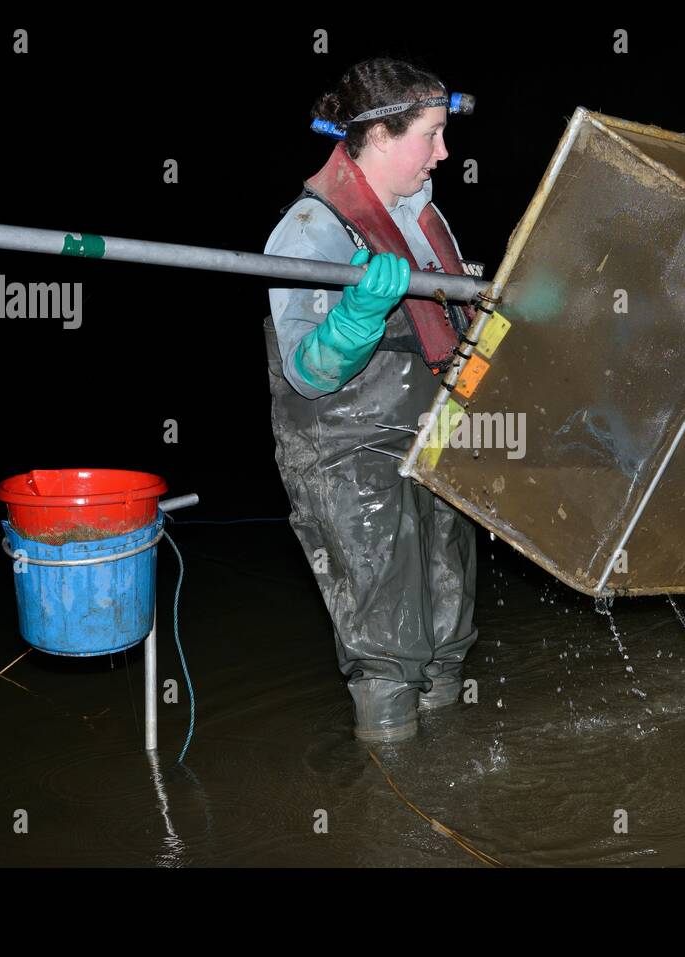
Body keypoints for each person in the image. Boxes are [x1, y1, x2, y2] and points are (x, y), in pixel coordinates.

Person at [262, 58, 479, 744]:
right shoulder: (309, 229)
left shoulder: (421, 212)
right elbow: (306, 370)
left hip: (429, 438)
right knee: (389, 649)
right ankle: (394, 807)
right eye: (432, 135)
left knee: (448, 628)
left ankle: (454, 782)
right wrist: (357, 314)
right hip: (348, 453)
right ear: (381, 135)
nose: (444, 153)